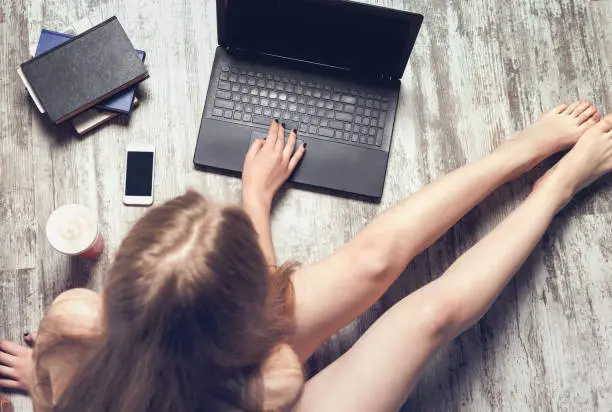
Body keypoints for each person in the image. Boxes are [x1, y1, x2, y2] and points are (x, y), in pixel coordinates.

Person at [0, 100, 608, 411]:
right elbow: (272, 341)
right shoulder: (277, 380)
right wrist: (256, 204)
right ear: (241, 325)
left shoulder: (76, 320)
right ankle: (554, 190)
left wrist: (57, 387)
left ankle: (519, 152)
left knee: (374, 259)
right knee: (428, 317)